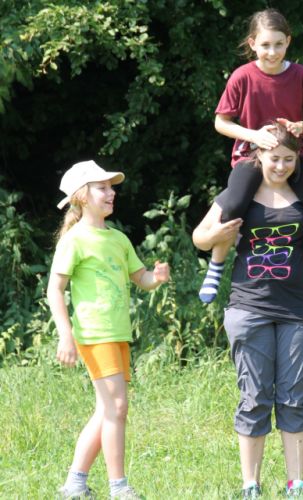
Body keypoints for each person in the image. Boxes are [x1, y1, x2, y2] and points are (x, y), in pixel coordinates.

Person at [193, 124, 303, 498]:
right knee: (254, 397)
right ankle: (251, 485)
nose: (280, 166)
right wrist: (217, 236)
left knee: (294, 398)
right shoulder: (239, 194)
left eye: (288, 160)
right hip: (249, 307)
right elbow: (200, 236)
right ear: (259, 155)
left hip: (299, 309)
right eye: (274, 158)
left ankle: (297, 485)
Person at [47, 160, 170, 499]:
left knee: (107, 410)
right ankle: (119, 487)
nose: (111, 192)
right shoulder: (74, 240)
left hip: (118, 334)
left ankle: (75, 484)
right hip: (94, 335)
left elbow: (140, 278)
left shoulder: (118, 238)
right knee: (117, 408)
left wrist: (156, 279)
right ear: (81, 196)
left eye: (111, 187)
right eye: (102, 188)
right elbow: (54, 290)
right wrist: (66, 335)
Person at [199, 8, 303, 313]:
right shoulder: (242, 76)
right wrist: (253, 135)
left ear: (288, 42)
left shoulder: (300, 75)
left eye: (278, 44)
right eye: (265, 45)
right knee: (233, 207)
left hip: (290, 157)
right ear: (252, 44)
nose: (272, 52)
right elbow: (221, 122)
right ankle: (216, 267)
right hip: (250, 156)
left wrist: (301, 126)